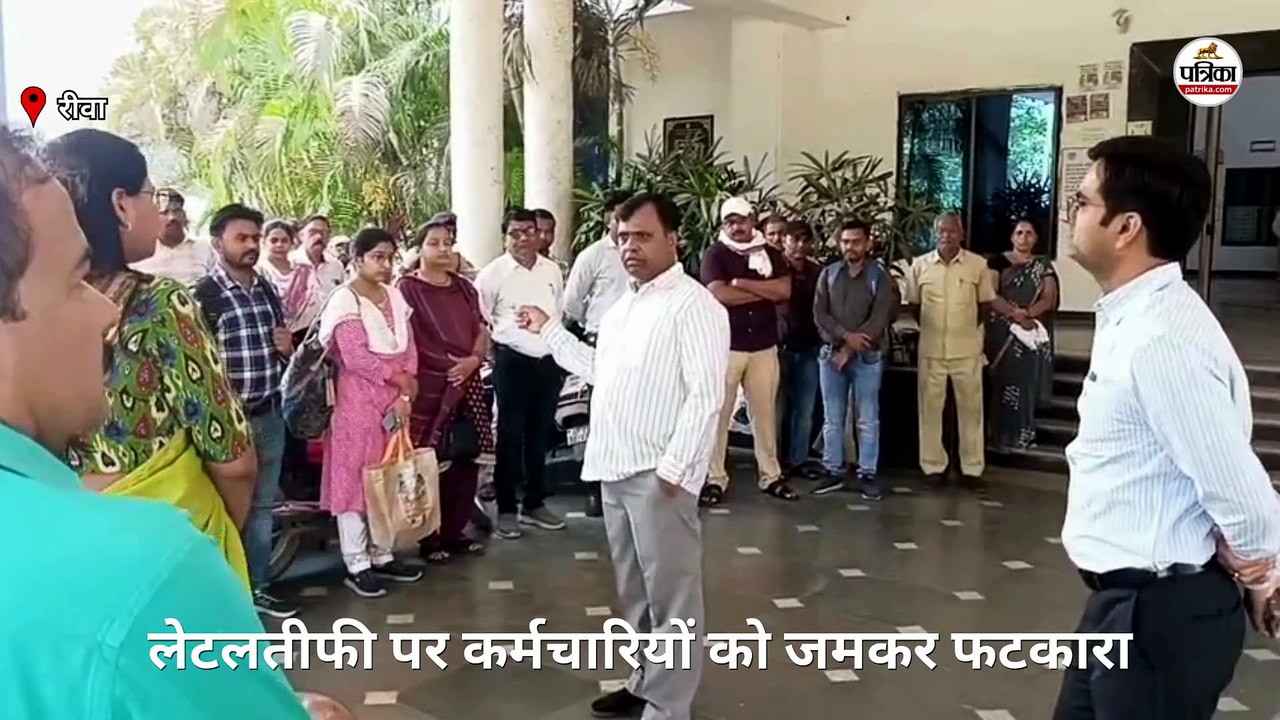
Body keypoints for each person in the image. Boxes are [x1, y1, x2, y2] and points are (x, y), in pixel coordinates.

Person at [0, 126, 312, 719]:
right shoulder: (153, 566)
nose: (104, 315)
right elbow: (234, 460)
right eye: (74, 282)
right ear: (121, 203)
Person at [1055, 135, 1280, 719]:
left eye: (1082, 202)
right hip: (1122, 604)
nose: (1071, 214)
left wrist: (1261, 571)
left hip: (1159, 614)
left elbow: (1245, 495)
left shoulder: (1161, 341)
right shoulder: (1134, 317)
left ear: (1126, 227)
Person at [516, 192, 730, 720]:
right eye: (623, 237)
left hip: (660, 473)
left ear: (673, 239)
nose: (630, 246)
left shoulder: (694, 305)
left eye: (643, 236)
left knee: (672, 597)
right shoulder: (621, 308)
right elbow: (601, 371)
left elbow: (706, 396)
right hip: (614, 465)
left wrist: (675, 471)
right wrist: (548, 329)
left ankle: (669, 704)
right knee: (636, 591)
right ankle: (643, 682)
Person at [48, 130, 256, 588]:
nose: (160, 211)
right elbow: (232, 460)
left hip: (69, 558)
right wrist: (217, 538)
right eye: (152, 195)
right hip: (166, 553)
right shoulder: (160, 304)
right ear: (121, 204)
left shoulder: (25, 312)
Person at [194, 203, 299, 618]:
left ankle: (258, 588)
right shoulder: (204, 296)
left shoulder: (267, 290)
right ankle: (225, 593)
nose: (251, 245)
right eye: (242, 238)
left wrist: (286, 347)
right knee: (224, 509)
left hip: (269, 413)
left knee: (263, 509)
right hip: (226, 423)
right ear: (218, 243)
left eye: (255, 237)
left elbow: (281, 349)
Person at [317, 227, 425, 598]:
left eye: (390, 257)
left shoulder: (394, 295)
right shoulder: (344, 300)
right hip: (357, 401)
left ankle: (383, 554)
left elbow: (410, 348)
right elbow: (355, 356)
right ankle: (357, 562)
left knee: (389, 475)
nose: (386, 265)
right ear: (357, 259)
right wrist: (398, 379)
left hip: (395, 398)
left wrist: (405, 391)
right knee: (356, 480)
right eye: (377, 257)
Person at [398, 218, 494, 563]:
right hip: (429, 388)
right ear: (419, 249)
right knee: (430, 463)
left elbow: (481, 329)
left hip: (468, 383)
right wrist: (449, 366)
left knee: (465, 459)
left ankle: (455, 532)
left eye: (448, 243)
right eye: (434, 243)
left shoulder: (465, 288)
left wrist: (473, 360)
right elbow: (408, 338)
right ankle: (430, 538)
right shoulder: (407, 289)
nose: (443, 249)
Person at [905, 212, 1017, 492]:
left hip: (966, 349)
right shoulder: (919, 266)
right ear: (935, 234)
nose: (946, 235)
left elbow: (984, 305)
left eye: (952, 231)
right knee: (930, 411)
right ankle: (933, 467)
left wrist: (967, 330)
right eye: (941, 231)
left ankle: (972, 469)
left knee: (971, 411)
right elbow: (916, 307)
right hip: (932, 350)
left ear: (962, 234)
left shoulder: (977, 265)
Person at [474, 207, 567, 538]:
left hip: (548, 361)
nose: (523, 238)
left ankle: (534, 502)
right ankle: (506, 508)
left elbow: (558, 311)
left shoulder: (551, 270)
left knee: (540, 434)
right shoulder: (492, 275)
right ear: (505, 237)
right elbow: (482, 319)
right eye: (515, 233)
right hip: (512, 362)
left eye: (530, 231)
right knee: (510, 436)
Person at [700, 196, 793, 506]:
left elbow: (784, 290)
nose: (736, 227)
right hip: (726, 347)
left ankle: (771, 475)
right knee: (719, 414)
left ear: (752, 220)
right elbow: (719, 294)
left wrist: (742, 283)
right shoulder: (716, 254)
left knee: (765, 415)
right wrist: (764, 291)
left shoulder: (771, 253)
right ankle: (714, 478)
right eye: (729, 222)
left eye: (740, 220)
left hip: (763, 346)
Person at [812, 219, 899, 499]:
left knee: (867, 418)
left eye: (857, 241)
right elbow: (820, 314)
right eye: (846, 241)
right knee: (832, 418)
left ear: (868, 243)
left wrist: (850, 349)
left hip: (867, 358)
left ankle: (867, 473)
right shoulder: (829, 274)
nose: (851, 247)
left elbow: (880, 317)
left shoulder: (879, 277)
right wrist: (844, 338)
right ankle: (833, 469)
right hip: (831, 357)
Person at [562, 193, 630, 517]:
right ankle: (594, 489)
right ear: (607, 219)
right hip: (600, 344)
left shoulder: (647, 253)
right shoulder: (593, 255)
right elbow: (572, 303)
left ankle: (627, 486)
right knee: (596, 418)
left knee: (631, 418)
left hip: (639, 344)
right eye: (618, 217)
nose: (624, 224)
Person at [985, 219, 1058, 451]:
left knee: (1024, 383)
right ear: (1012, 237)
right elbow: (990, 294)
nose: (1024, 237)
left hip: (1028, 329)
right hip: (1002, 329)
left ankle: (1022, 434)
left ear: (1035, 238)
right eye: (1019, 233)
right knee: (1003, 382)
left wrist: (1028, 314)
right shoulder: (997, 262)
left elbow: (1048, 299)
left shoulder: (1042, 266)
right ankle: (998, 435)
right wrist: (1013, 314)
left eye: (1029, 233)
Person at [777, 220, 823, 478]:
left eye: (805, 240)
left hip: (808, 348)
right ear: (784, 240)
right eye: (795, 240)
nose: (800, 246)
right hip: (778, 347)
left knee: (805, 409)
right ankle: (774, 461)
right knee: (776, 409)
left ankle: (798, 460)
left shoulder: (818, 272)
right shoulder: (773, 269)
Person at [130, 188, 216, 286]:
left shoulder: (204, 248)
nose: (172, 217)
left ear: (184, 215)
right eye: (164, 213)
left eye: (176, 211)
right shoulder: (140, 254)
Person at [258, 219, 316, 337]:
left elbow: (314, 304)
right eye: (274, 240)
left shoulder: (305, 271)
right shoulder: (258, 271)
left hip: (303, 334)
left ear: (291, 243)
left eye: (284, 240)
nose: (279, 245)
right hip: (268, 333)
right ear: (263, 242)